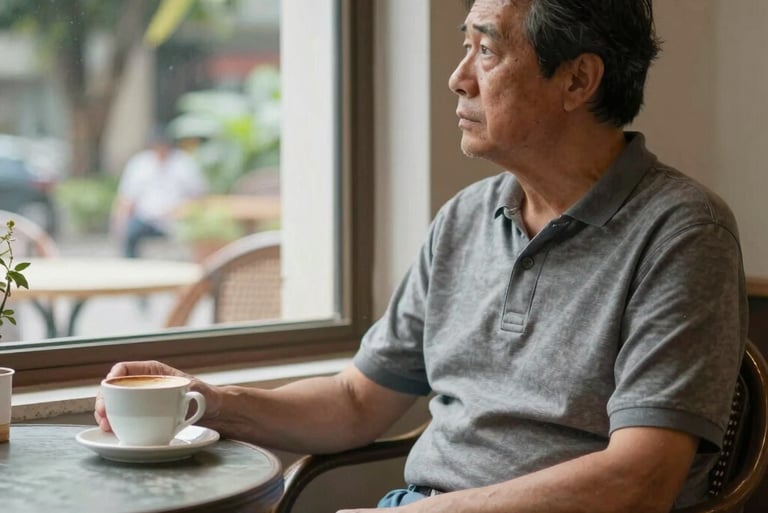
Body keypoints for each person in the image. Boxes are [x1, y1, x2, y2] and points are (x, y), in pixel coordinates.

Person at [95, 1, 747, 511]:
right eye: (465, 47)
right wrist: (204, 399)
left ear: (577, 79)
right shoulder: (465, 220)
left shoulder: (684, 232)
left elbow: (641, 479)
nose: (456, 77)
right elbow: (355, 401)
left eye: (485, 51)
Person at [112, 130, 207, 258]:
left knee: (185, 243)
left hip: (177, 219)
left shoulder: (183, 163)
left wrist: (184, 210)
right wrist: (119, 223)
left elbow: (198, 195)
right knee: (130, 232)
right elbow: (127, 198)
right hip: (146, 218)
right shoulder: (140, 163)